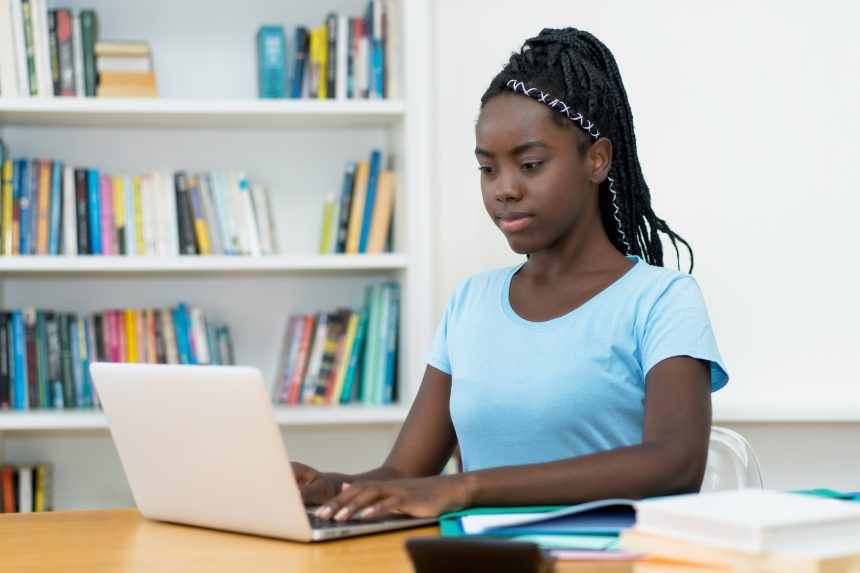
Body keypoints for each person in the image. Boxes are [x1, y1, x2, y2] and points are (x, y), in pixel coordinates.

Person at [294, 27, 728, 523]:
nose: (505, 189)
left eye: (530, 164)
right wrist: (332, 487)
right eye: (488, 170)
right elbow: (405, 473)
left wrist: (469, 487)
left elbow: (675, 464)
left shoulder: (662, 300)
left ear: (597, 159)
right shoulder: (470, 304)